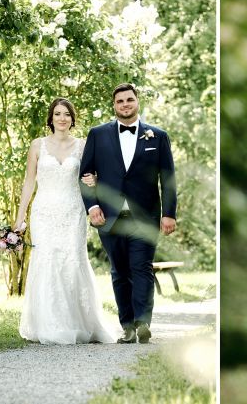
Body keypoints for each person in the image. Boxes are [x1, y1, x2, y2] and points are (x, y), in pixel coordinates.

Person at [79, 83, 177, 344]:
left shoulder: (158, 136)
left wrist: (169, 213)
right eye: (120, 101)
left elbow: (167, 179)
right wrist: (92, 207)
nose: (125, 104)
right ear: (114, 105)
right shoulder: (98, 135)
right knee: (120, 271)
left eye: (129, 100)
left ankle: (143, 322)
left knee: (141, 268)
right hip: (108, 217)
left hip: (144, 217)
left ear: (137, 102)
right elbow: (85, 175)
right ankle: (127, 326)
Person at [15, 97, 115, 345]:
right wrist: (20, 218)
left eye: (67, 114)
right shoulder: (37, 145)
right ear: (51, 118)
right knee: (47, 261)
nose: (62, 118)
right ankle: (48, 324)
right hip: (44, 212)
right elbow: (29, 183)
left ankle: (78, 323)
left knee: (72, 260)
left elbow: (94, 175)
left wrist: (95, 181)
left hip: (73, 211)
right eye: (58, 114)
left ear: (72, 119)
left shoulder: (83, 146)